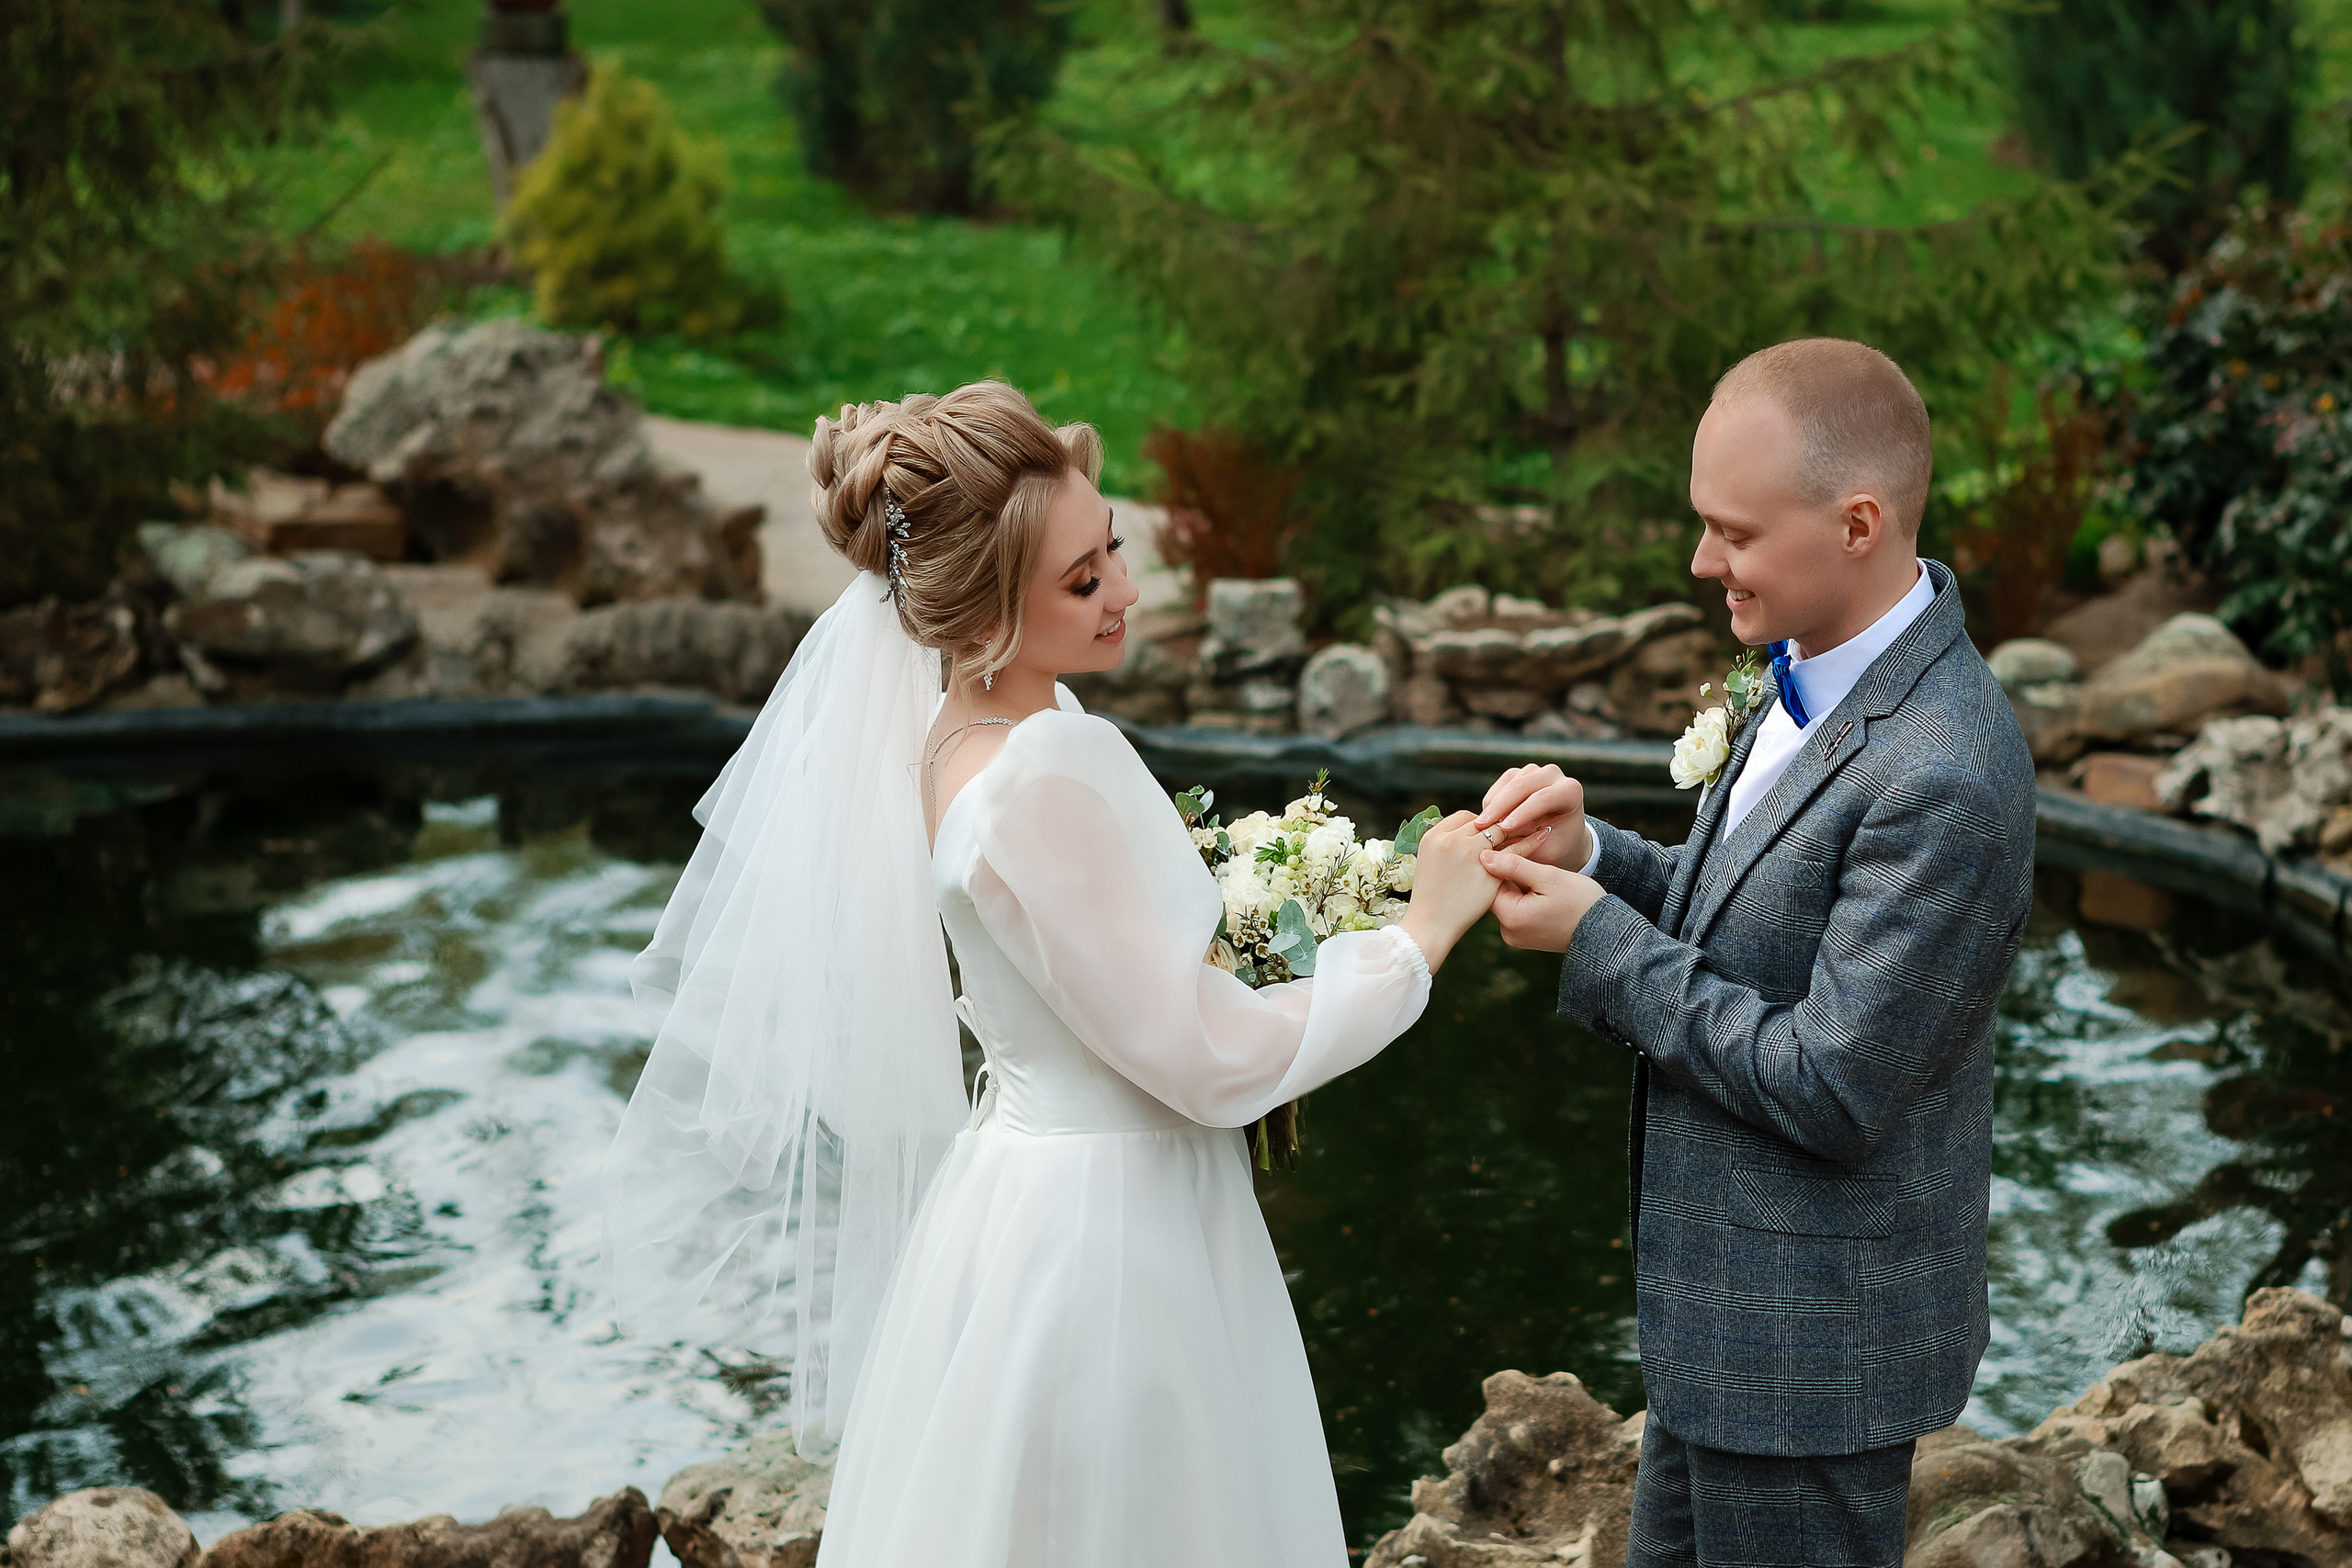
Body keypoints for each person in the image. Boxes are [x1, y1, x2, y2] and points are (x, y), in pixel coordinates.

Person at [600, 381, 1503, 1566]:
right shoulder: (1043, 772)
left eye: (1112, 547)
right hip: (1114, 1233)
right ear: (981, 614)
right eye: (1083, 581)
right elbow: (1201, 1057)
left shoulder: (959, 735)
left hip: (1022, 1197)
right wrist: (1416, 940)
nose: (1126, 590)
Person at [1468, 339, 2037, 1568]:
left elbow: (1832, 1083)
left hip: (1814, 1365)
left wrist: (1600, 942)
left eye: (1733, 533)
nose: (1700, 561)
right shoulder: (1814, 670)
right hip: (1720, 1331)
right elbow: (1752, 917)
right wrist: (1597, 857)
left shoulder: (1944, 772)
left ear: (1858, 525)